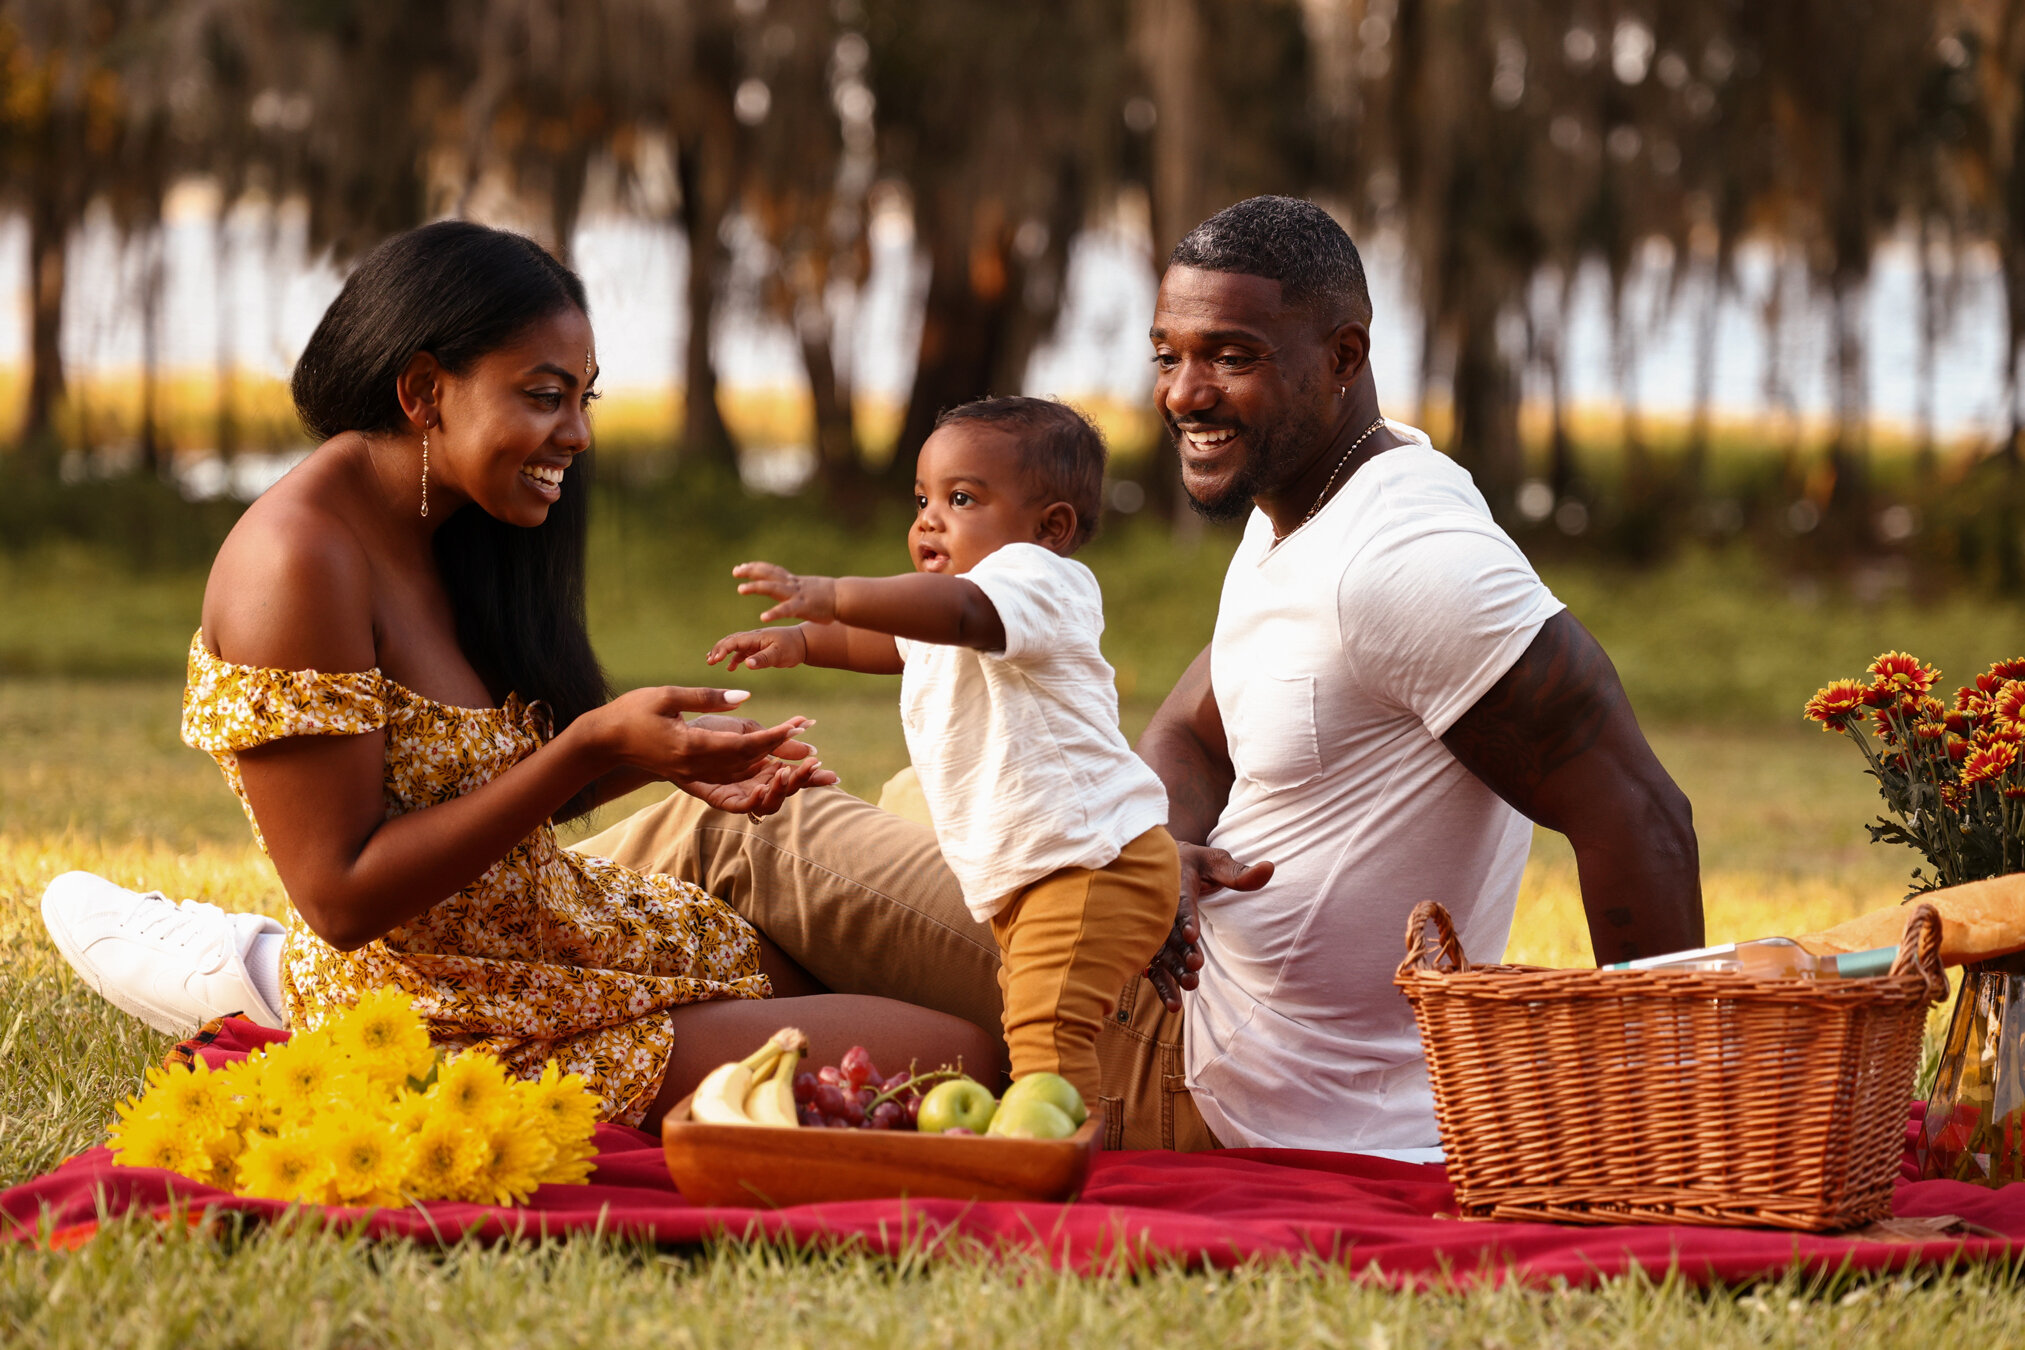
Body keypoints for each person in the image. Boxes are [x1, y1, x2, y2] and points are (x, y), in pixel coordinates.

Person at [51, 197, 1698, 1154]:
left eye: (1238, 357)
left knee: (762, 837)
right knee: (821, 819)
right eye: (1174, 355)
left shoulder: (1405, 552)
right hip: (1167, 969)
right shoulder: (1322, 516)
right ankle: (348, 977)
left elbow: (1640, 816)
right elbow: (1193, 724)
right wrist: (1151, 854)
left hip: (1188, 1050)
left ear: (1344, 359)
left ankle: (313, 982)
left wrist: (1651, 1144)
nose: (1192, 393)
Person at [40, 221, 1001, 1129]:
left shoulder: (451, 527)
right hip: (451, 1019)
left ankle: (249, 967)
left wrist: (660, 758)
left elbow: (480, 781)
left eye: (585, 397)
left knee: (863, 989)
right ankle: (259, 975)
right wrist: (589, 744)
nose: (577, 433)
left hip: (544, 942)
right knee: (962, 1057)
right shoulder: (295, 564)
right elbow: (339, 895)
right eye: (544, 396)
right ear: (424, 393)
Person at [702, 396, 1177, 1108]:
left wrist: (828, 594)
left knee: (1045, 1030)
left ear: (1051, 528)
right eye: (921, 498)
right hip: (1032, 874)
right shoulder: (951, 610)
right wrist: (802, 643)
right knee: (1034, 1018)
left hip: (1092, 864)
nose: (928, 519)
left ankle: (1057, 1161)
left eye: (960, 499)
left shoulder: (1036, 583)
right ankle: (1047, 1133)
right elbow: (891, 641)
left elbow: (955, 613)